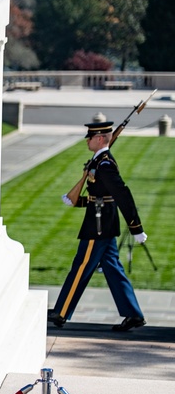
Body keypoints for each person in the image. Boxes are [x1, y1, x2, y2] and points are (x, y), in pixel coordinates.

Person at [48, 120, 148, 331]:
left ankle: (62, 311)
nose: (88, 140)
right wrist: (77, 200)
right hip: (102, 221)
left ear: (101, 138)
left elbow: (121, 195)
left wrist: (136, 227)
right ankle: (133, 314)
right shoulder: (99, 161)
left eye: (91, 137)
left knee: (81, 266)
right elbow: (99, 196)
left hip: (98, 225)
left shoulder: (104, 164)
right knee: (113, 269)